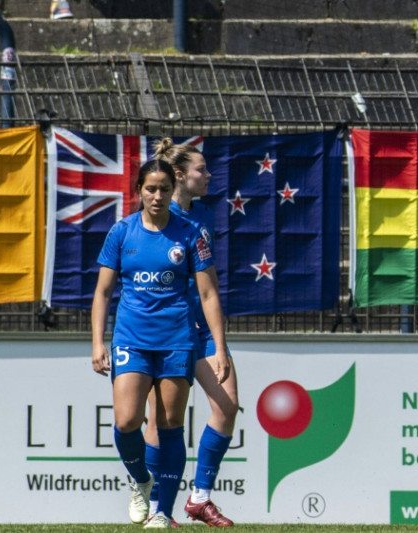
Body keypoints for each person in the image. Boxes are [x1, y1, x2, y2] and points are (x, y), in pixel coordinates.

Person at [91, 159, 229, 528]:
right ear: (139, 190)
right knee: (127, 421)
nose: (157, 196)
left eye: (164, 189)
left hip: (176, 341)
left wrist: (219, 346)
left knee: (169, 426)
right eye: (150, 189)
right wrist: (97, 343)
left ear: (172, 191)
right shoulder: (121, 232)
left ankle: (162, 513)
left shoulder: (191, 233)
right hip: (131, 339)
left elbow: (209, 292)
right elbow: (103, 293)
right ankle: (140, 481)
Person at [143, 138, 237, 528]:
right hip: (167, 332)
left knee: (227, 405)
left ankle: (199, 498)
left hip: (203, 331)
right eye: (202, 169)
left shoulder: (204, 217)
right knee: (159, 421)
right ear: (179, 174)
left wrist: (220, 341)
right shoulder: (153, 219)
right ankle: (154, 507)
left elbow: (208, 287)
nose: (209, 174)